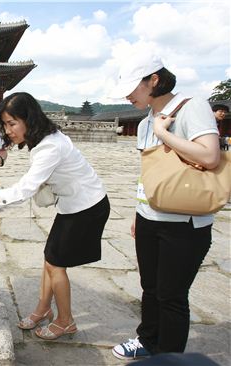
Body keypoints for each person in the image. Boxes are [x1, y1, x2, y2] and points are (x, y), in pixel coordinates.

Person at [0, 92, 110, 341]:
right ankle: (43, 309)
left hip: (86, 208)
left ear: (29, 119)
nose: (9, 131)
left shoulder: (49, 148)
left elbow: (21, 191)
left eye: (12, 124)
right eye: (5, 125)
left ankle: (65, 321)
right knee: (50, 259)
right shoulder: (44, 138)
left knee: (56, 265)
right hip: (72, 205)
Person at [110, 52, 220, 360]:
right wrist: (138, 212)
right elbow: (151, 173)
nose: (128, 95)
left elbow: (210, 156)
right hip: (150, 216)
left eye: (134, 87)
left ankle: (169, 357)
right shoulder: (147, 119)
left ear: (154, 80)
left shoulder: (190, 107)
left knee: (172, 295)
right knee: (150, 287)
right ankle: (147, 339)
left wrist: (163, 134)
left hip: (184, 222)